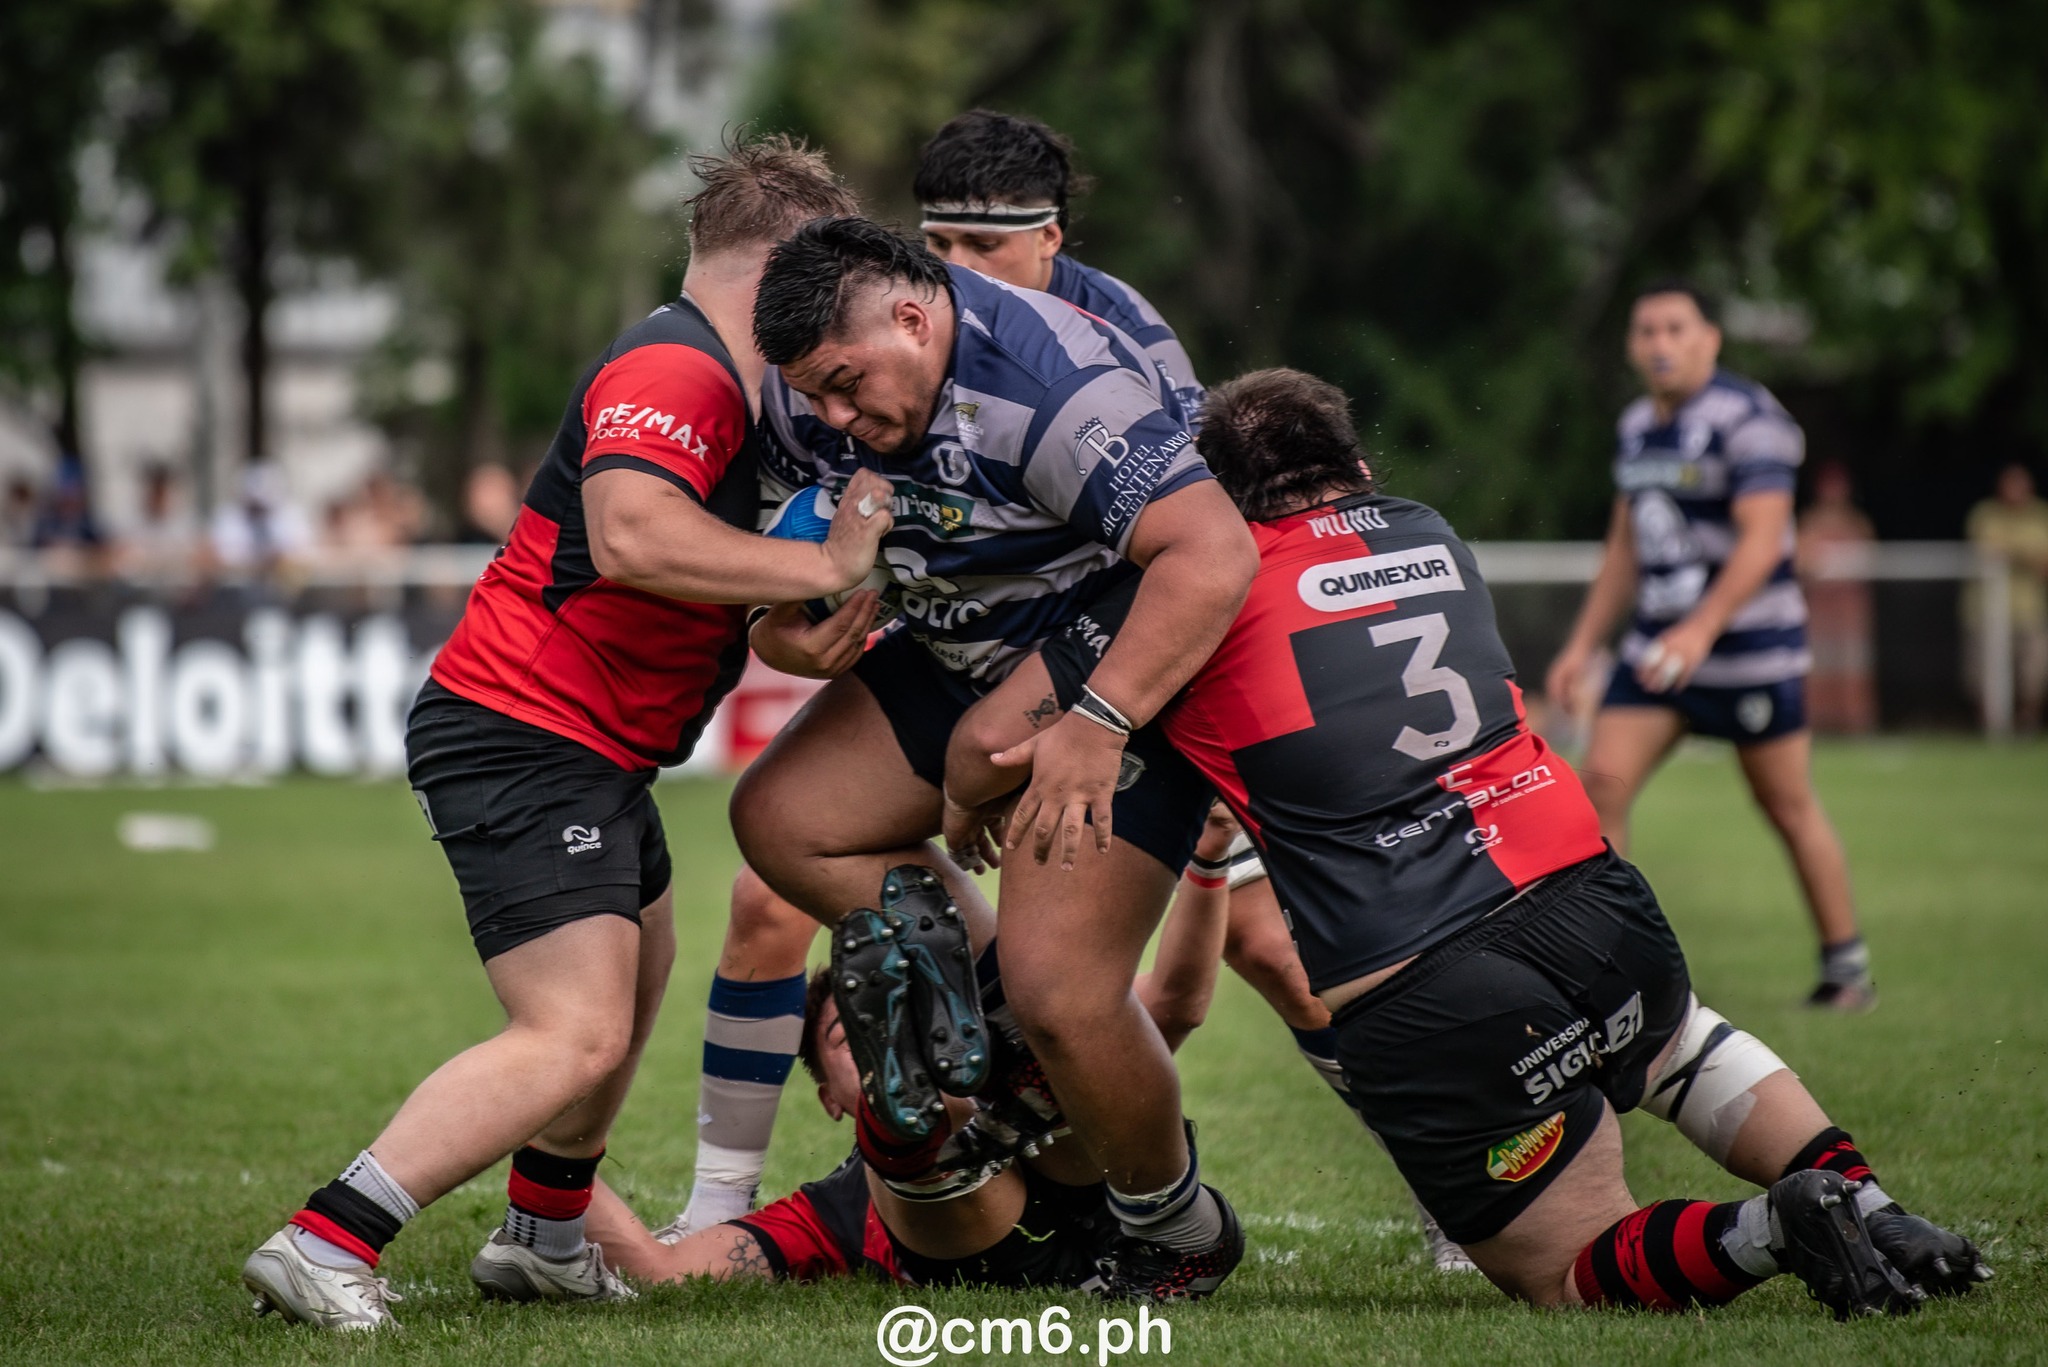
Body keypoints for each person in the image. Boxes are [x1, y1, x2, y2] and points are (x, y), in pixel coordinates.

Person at [950, 367, 1990, 1318]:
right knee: (1671, 1042)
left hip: (1422, 980)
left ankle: (1773, 1226)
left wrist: (1025, 754)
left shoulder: (1194, 585)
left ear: (1214, 502)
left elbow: (987, 747)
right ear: (1356, 470)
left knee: (1565, 1267)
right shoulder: (1426, 526)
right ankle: (1870, 1197)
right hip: (1587, 895)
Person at [239, 136, 884, 1332]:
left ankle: (542, 1234)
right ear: (790, 259)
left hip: (585, 742)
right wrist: (821, 560)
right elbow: (632, 533)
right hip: (523, 729)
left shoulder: (732, 384)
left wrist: (800, 621)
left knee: (633, 981)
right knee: (573, 1029)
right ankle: (329, 1236)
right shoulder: (678, 365)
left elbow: (695, 589)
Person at [665, 108, 1225, 1244]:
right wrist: (780, 628)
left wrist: (1096, 716)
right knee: (779, 820)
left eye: (843, 384)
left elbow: (1210, 555)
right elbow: (781, 562)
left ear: (916, 316)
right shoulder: (803, 377)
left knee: (1081, 983)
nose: (830, 417)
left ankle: (1176, 1226)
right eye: (811, 394)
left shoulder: (1055, 377)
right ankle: (1007, 1030)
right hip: (953, 647)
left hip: (1096, 641)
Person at [591, 824, 1252, 1293]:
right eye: (851, 1039)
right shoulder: (831, 1210)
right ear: (830, 1100)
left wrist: (1209, 857)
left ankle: (982, 1056)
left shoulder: (834, 1205)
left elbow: (1171, 1006)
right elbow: (663, 1270)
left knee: (1072, 1058)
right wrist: (542, 1125)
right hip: (981, 1239)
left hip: (1108, 1185)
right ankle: (915, 1099)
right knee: (942, 1138)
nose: (859, 1040)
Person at [1544, 282, 1873, 1010]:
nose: (1659, 343)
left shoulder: (1750, 420)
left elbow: (1764, 542)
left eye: (1675, 328)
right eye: (1645, 330)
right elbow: (1624, 545)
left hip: (1748, 651)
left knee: (1785, 803)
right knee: (1600, 782)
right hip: (1658, 652)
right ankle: (1614, 972)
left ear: (1709, 339)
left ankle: (1846, 970)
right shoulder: (1636, 424)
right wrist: (1582, 644)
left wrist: (1700, 628)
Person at [1964, 462, 2048, 733]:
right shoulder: (1986, 514)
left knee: (2033, 674)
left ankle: (2026, 726)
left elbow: (2043, 561)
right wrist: (2027, 554)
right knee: (1983, 676)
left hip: (2027, 610)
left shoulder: (2040, 516)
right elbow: (1987, 548)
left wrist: (2011, 552)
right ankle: (1990, 729)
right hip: (1986, 611)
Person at [1795, 463, 1878, 734]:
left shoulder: (1858, 524)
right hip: (1820, 611)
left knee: (1853, 669)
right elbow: (1800, 562)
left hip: (1848, 612)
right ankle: (1815, 726)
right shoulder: (1809, 523)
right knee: (1816, 669)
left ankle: (1856, 726)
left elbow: (1870, 563)